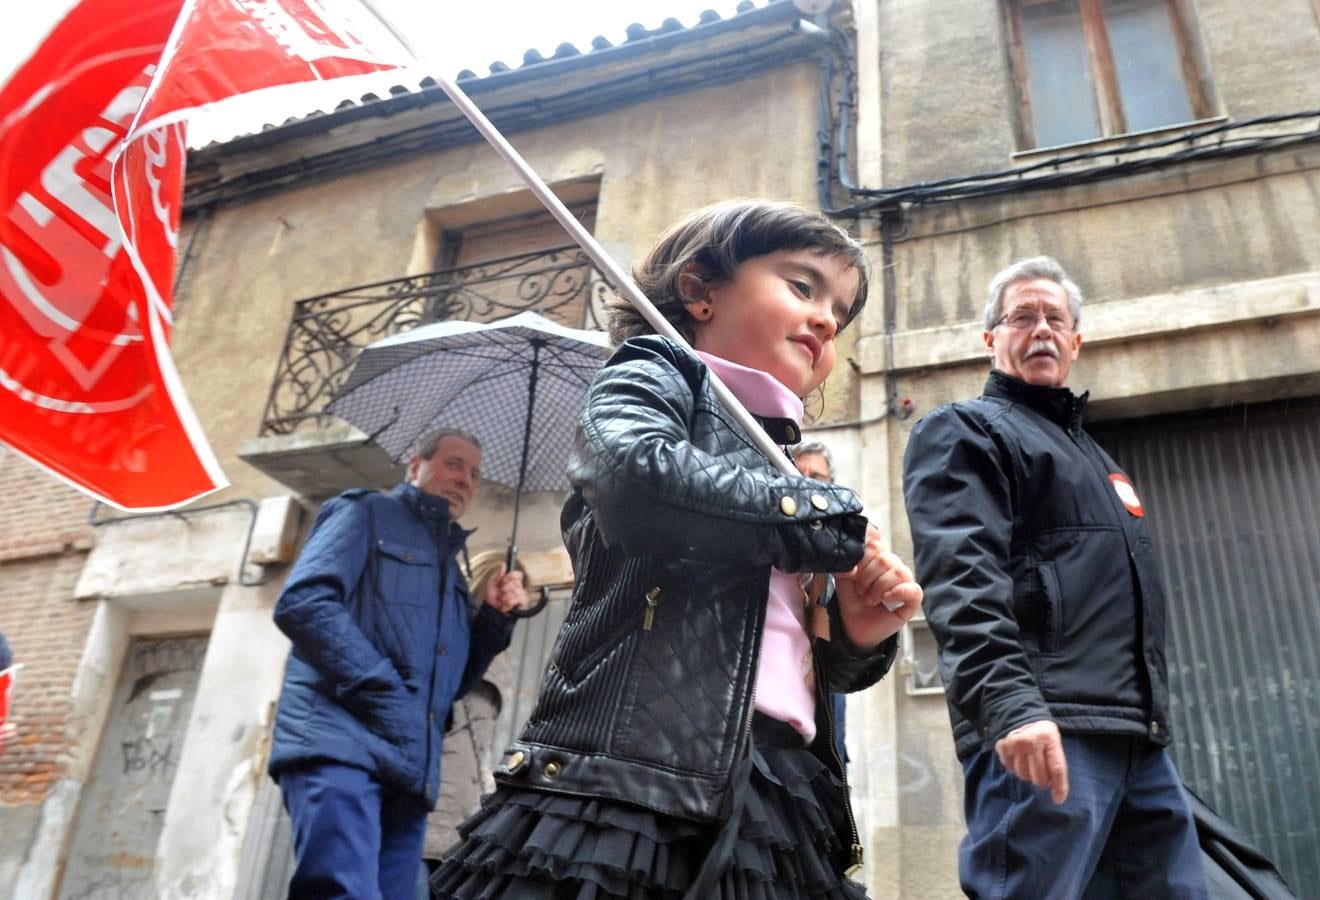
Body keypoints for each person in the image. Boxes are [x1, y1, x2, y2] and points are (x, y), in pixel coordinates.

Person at [432, 200, 923, 899]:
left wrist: (854, 633)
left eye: (839, 315)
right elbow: (633, 477)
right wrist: (822, 514)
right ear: (700, 291)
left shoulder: (780, 455)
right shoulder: (661, 372)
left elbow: (783, 655)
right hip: (635, 780)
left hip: (773, 787)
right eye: (803, 287)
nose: (824, 320)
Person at [902, 257, 1208, 898]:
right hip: (1045, 731)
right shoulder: (966, 430)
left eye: (1055, 318)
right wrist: (1009, 706)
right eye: (1021, 316)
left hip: (1136, 741)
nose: (1040, 328)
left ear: (1075, 341)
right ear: (991, 339)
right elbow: (963, 580)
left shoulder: (1098, 459)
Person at [268, 428, 530, 900]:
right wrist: (384, 692)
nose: (464, 481)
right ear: (415, 466)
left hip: (408, 772)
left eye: (473, 474)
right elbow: (304, 604)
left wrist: (493, 618)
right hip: (340, 745)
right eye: (453, 464)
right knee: (343, 891)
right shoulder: (365, 511)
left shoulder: (450, 572)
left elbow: (449, 686)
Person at [419, 550, 532, 878]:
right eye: (506, 584)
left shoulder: (496, 647)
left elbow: (478, 738)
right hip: (427, 794)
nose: (513, 594)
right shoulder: (445, 632)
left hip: (462, 802)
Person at [792, 440, 849, 768]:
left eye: (817, 476)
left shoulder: (840, 536)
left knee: (830, 757)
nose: (806, 480)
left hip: (824, 671)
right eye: (800, 471)